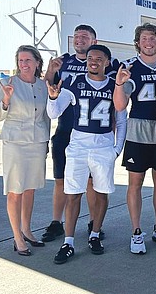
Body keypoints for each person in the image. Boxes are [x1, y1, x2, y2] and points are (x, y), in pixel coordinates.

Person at [46, 45, 126, 264]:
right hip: (78, 146)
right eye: (91, 58)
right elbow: (53, 113)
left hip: (103, 146)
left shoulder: (114, 85)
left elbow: (121, 119)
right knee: (73, 194)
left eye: (99, 59)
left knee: (101, 193)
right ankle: (69, 242)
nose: (94, 61)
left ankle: (95, 234)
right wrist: (53, 98)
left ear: (107, 62)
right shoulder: (73, 82)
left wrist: (117, 148)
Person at [41, 25, 117, 243]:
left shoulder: (104, 64)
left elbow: (115, 99)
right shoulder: (62, 61)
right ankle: (57, 223)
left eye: (85, 36)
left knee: (93, 183)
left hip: (93, 131)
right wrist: (50, 70)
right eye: (77, 36)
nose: (80, 39)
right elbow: (49, 90)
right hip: (67, 128)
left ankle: (94, 224)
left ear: (94, 41)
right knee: (62, 180)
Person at [113, 23, 156, 254]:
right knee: (136, 182)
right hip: (139, 129)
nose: (148, 42)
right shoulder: (130, 66)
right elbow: (120, 104)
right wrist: (120, 83)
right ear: (138, 43)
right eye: (144, 39)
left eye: (152, 38)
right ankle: (136, 231)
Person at [0, 45, 51, 256]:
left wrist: (46, 142)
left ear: (37, 62)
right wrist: (6, 99)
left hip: (37, 142)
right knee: (15, 190)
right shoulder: (7, 84)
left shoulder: (43, 86)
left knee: (30, 188)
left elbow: (46, 116)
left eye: (28, 60)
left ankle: (27, 229)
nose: (24, 64)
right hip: (15, 143)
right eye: (21, 61)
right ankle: (17, 237)